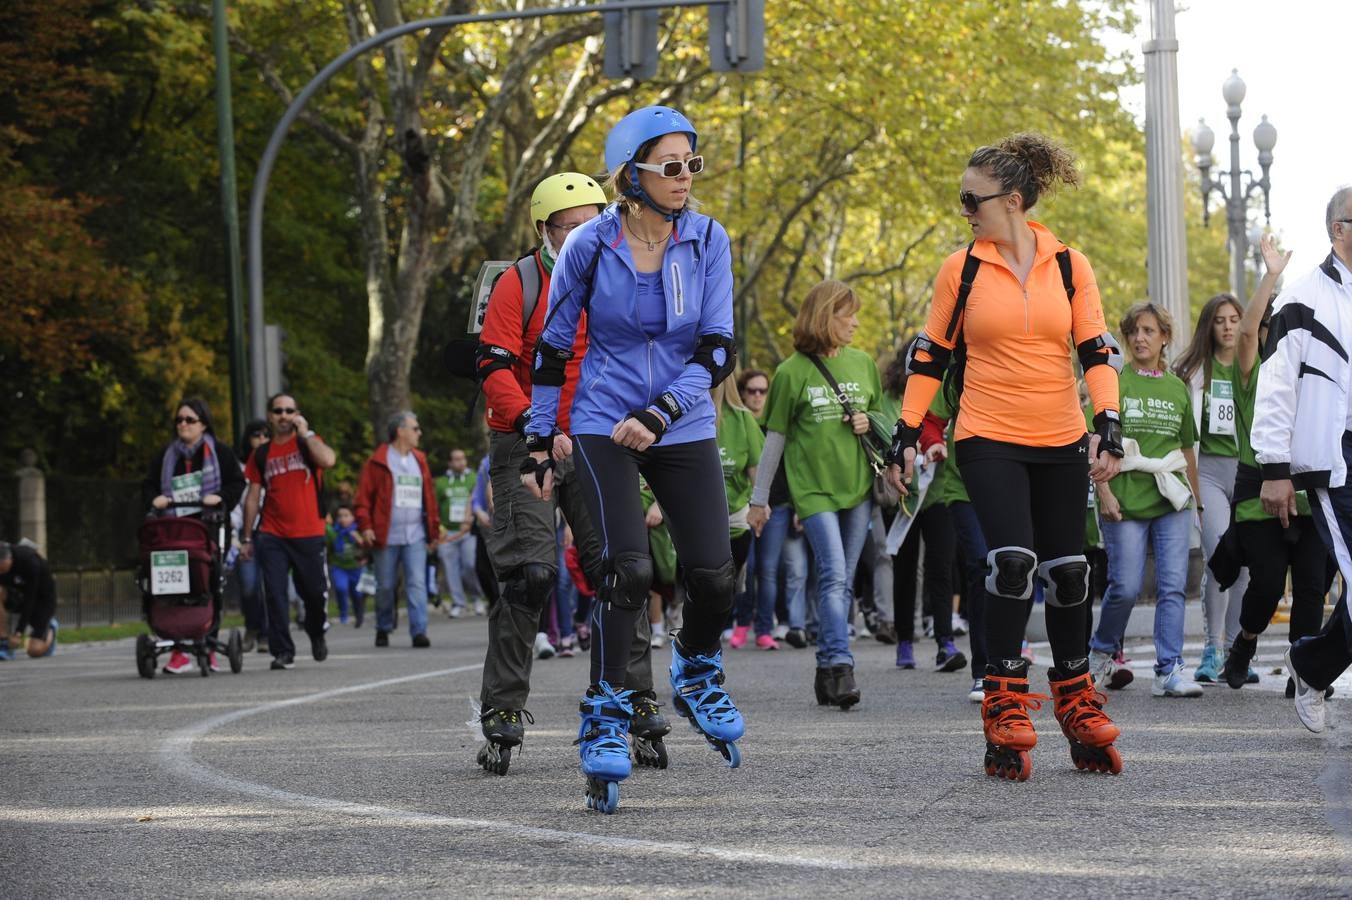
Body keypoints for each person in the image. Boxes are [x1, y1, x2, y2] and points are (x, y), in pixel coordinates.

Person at [885, 133, 1125, 781]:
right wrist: (906, 433)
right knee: (1014, 561)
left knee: (1071, 571)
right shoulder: (960, 270)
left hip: (1060, 437)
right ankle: (1005, 701)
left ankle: (1076, 703)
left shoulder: (1071, 265)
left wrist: (1108, 422)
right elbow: (930, 356)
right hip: (987, 434)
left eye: (973, 199)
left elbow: (1097, 352)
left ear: (1013, 202)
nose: (965, 210)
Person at [523, 106, 743, 812]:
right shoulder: (588, 245)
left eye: (692, 165)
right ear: (632, 177)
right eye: (671, 167)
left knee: (713, 574)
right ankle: (607, 717)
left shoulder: (709, 239)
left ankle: (698, 669)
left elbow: (717, 348)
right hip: (600, 420)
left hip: (677, 421)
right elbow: (554, 348)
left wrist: (662, 413)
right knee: (628, 571)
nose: (686, 179)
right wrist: (536, 435)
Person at [476, 170, 662, 778]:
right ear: (544, 231)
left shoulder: (620, 273)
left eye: (594, 224)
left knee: (623, 568)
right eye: (572, 226)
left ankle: (629, 699)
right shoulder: (519, 282)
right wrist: (536, 423)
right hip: (525, 437)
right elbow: (496, 366)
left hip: (596, 435)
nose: (587, 234)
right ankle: (502, 711)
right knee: (530, 574)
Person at [749, 279, 883, 709]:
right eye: (849, 314)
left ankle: (827, 669)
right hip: (814, 491)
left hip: (858, 486)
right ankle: (842, 666)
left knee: (842, 582)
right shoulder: (791, 372)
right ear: (826, 317)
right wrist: (759, 499)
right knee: (835, 575)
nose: (856, 322)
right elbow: (774, 440)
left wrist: (868, 419)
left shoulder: (863, 363)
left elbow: (882, 415)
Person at [1213, 234, 1334, 692]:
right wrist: (1271, 276)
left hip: (1308, 492)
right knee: (1264, 586)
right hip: (1258, 493)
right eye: (1272, 324)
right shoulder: (1255, 370)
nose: (1280, 332)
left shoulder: (1319, 372)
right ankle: (1244, 642)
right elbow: (1245, 332)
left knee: (1310, 587)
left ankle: (1302, 673)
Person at [1255, 187, 1352, 733]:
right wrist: (1274, 468)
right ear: (1338, 229)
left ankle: (1313, 663)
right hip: (1334, 458)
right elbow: (1275, 388)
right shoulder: (1303, 296)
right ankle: (1315, 664)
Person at [1087, 303, 1204, 699]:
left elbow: (1186, 449)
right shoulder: (1114, 382)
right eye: (1134, 331)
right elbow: (1093, 442)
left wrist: (1198, 503)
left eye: (1149, 331)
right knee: (1125, 586)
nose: (1140, 338)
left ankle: (1168, 669)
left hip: (1171, 498)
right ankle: (1101, 652)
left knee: (1172, 587)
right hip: (1124, 497)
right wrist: (1103, 493)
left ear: (1164, 338)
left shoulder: (1177, 387)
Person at [1173, 291, 1253, 683]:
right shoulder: (1193, 372)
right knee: (1221, 558)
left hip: (1246, 473)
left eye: (1234, 320)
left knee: (1247, 569)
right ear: (1210, 325)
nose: (1227, 327)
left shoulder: (1253, 368)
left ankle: (1238, 652)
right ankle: (1212, 648)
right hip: (1207, 471)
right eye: (1219, 320)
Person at [142, 398, 246, 673]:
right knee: (173, 587)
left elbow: (237, 483)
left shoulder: (220, 453)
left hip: (207, 528)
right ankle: (178, 649)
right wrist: (156, 499)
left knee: (209, 583)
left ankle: (209, 644)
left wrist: (219, 497)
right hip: (173, 531)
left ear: (203, 424)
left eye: (189, 420)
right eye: (179, 420)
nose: (183, 425)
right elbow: (149, 486)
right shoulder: (166, 455)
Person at [240, 393, 337, 670]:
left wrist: (305, 434)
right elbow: (252, 496)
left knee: (315, 593)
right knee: (275, 593)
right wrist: (247, 537)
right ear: (270, 416)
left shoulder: (308, 444)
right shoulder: (261, 453)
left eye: (289, 410)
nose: (284, 415)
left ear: (296, 414)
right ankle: (282, 650)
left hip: (309, 532)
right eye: (278, 411)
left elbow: (328, 460)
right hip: (272, 533)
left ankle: (316, 631)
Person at [354, 410, 440, 649]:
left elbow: (429, 498)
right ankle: (383, 627)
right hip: (386, 534)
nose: (419, 433)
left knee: (417, 583)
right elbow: (362, 498)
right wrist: (366, 526)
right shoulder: (378, 460)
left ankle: (419, 631)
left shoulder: (419, 459)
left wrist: (433, 531)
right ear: (400, 431)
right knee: (385, 585)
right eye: (415, 428)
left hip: (415, 534)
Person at [717, 377, 768, 650]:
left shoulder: (743, 419)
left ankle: (727, 621)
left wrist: (760, 504)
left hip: (736, 514)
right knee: (705, 579)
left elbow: (755, 470)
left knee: (732, 580)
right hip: (699, 517)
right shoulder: (686, 414)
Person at [231, 419, 270, 652]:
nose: (261, 440)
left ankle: (265, 633)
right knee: (249, 585)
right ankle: (252, 626)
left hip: (270, 531)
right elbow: (237, 503)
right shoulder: (238, 468)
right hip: (245, 531)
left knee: (269, 585)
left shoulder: (274, 464)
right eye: (257, 435)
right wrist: (238, 536)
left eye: (266, 436)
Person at [434, 448, 484, 617]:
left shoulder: (473, 478)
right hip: (447, 532)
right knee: (450, 569)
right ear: (450, 463)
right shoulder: (441, 483)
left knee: (470, 565)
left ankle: (477, 598)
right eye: (456, 459)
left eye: (462, 458)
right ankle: (459, 602)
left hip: (468, 531)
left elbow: (480, 500)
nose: (460, 462)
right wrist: (439, 530)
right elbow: (434, 508)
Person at [0, 541, 58, 658]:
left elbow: (30, 600)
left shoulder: (29, 562)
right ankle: (3, 641)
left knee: (34, 651)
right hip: (17, 595)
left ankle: (51, 629)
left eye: (2, 570)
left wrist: (18, 633)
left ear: (10, 559)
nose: (1, 573)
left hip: (41, 600)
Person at [326, 504, 367, 627]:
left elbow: (367, 547)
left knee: (357, 594)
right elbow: (328, 546)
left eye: (346, 515)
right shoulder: (334, 533)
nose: (343, 519)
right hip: (339, 567)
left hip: (356, 567)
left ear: (353, 517)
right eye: (340, 516)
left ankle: (359, 615)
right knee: (341, 588)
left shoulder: (358, 530)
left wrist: (359, 539)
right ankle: (343, 614)